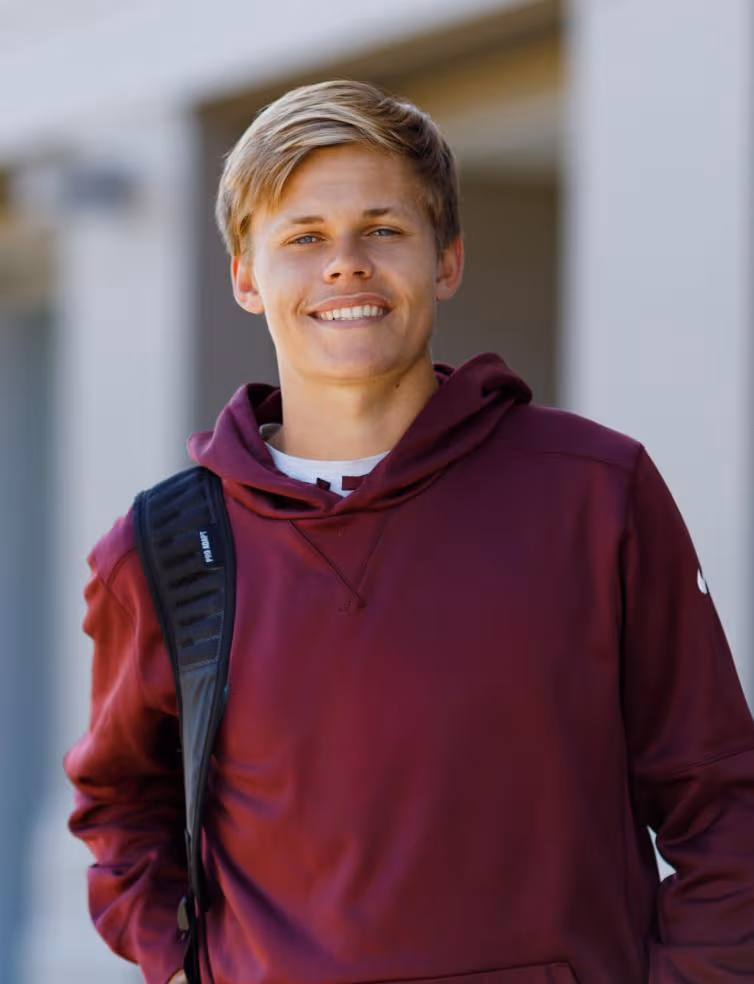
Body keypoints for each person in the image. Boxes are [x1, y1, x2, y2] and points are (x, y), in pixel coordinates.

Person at [64, 79, 754, 984]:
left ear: (447, 261)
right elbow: (122, 812)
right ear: (246, 277)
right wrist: (194, 967)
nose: (345, 265)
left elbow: (721, 799)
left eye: (383, 229)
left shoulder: (595, 490)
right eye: (303, 238)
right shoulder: (165, 546)